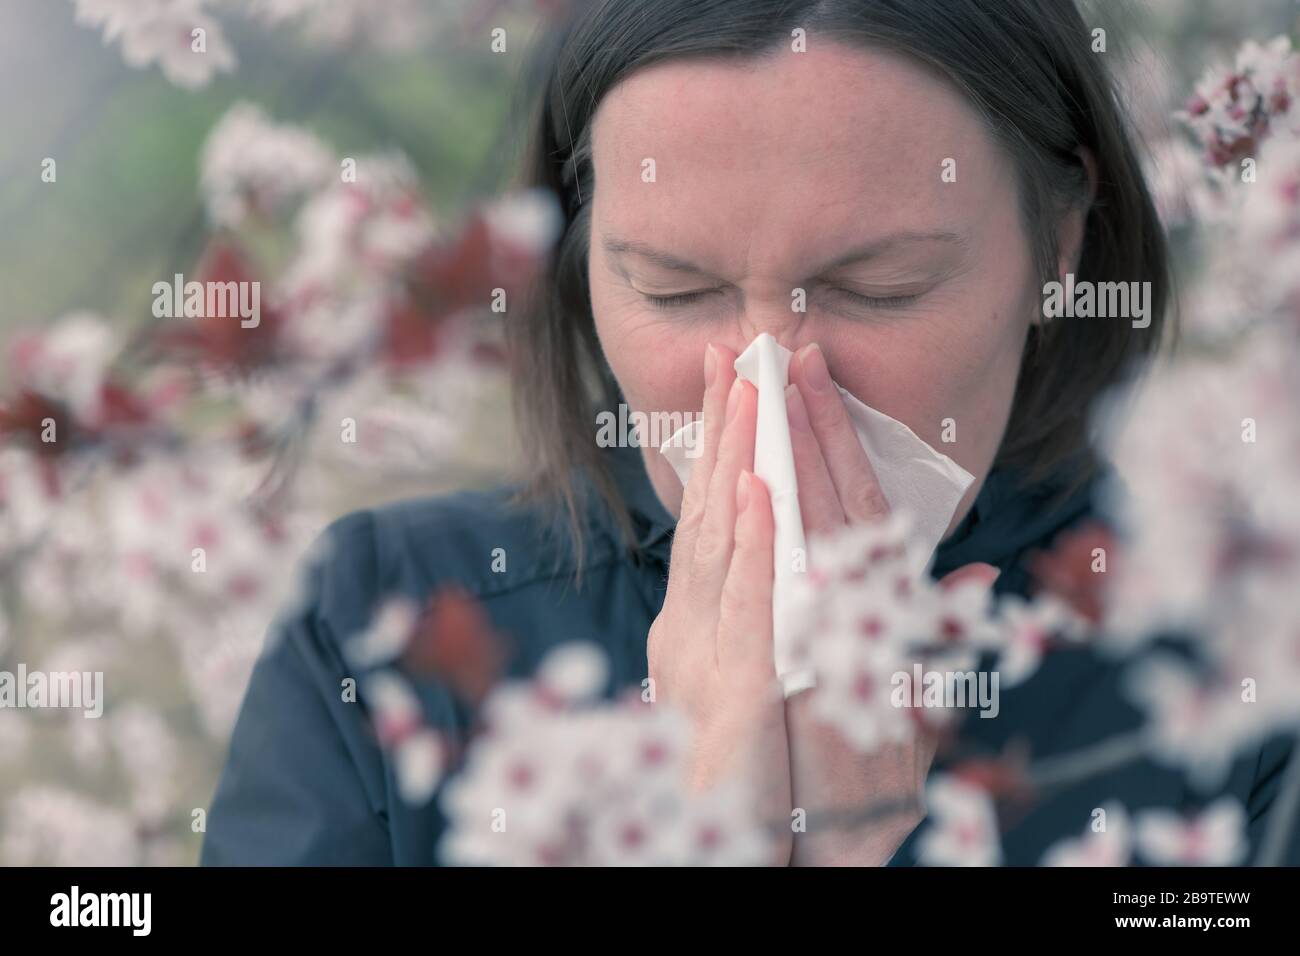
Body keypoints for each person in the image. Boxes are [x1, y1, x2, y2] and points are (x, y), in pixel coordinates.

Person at [202, 0, 1296, 866]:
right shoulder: (378, 618)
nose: (768, 388)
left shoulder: (1253, 654)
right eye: (674, 290)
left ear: (1059, 239)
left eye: (881, 286)